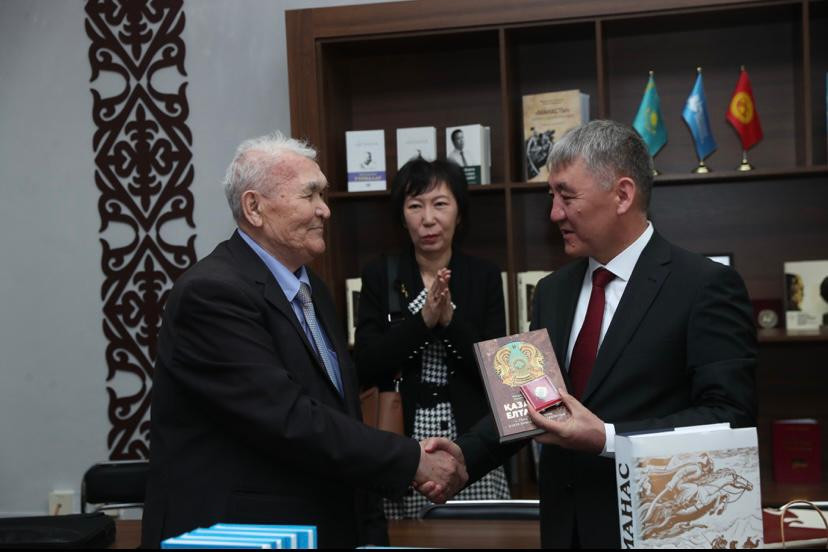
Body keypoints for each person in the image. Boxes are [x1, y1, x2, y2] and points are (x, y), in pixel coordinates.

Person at [141, 133, 467, 549]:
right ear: (254, 208)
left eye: (323, 194)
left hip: (318, 524)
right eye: (309, 195)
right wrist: (411, 459)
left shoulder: (309, 286)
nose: (324, 209)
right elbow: (287, 418)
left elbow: (341, 412)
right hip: (240, 534)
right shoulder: (211, 294)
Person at [445, 120, 757, 547]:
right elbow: (531, 401)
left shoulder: (704, 286)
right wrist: (462, 456)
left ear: (623, 195)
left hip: (656, 529)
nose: (554, 213)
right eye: (551, 196)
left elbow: (729, 417)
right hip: (564, 530)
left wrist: (608, 438)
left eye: (567, 196)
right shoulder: (552, 291)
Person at [354, 158, 509, 519]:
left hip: (470, 443)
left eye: (440, 204)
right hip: (403, 443)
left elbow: (498, 372)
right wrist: (423, 321)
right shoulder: (381, 275)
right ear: (402, 216)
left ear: (459, 212)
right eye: (415, 206)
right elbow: (366, 365)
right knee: (407, 538)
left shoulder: (484, 276)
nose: (428, 219)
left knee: (477, 536)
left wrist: (449, 320)